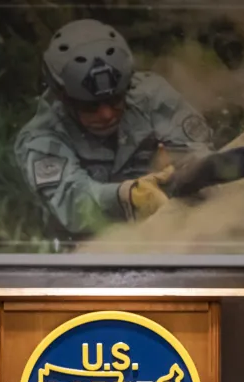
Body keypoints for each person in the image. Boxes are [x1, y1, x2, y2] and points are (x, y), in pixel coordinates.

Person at [12, 18, 214, 238]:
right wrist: (126, 195)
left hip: (174, 224)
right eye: (89, 106)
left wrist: (184, 169)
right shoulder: (41, 137)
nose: (107, 114)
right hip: (86, 247)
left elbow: (199, 153)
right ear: (63, 97)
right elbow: (72, 202)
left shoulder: (152, 96)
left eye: (116, 99)